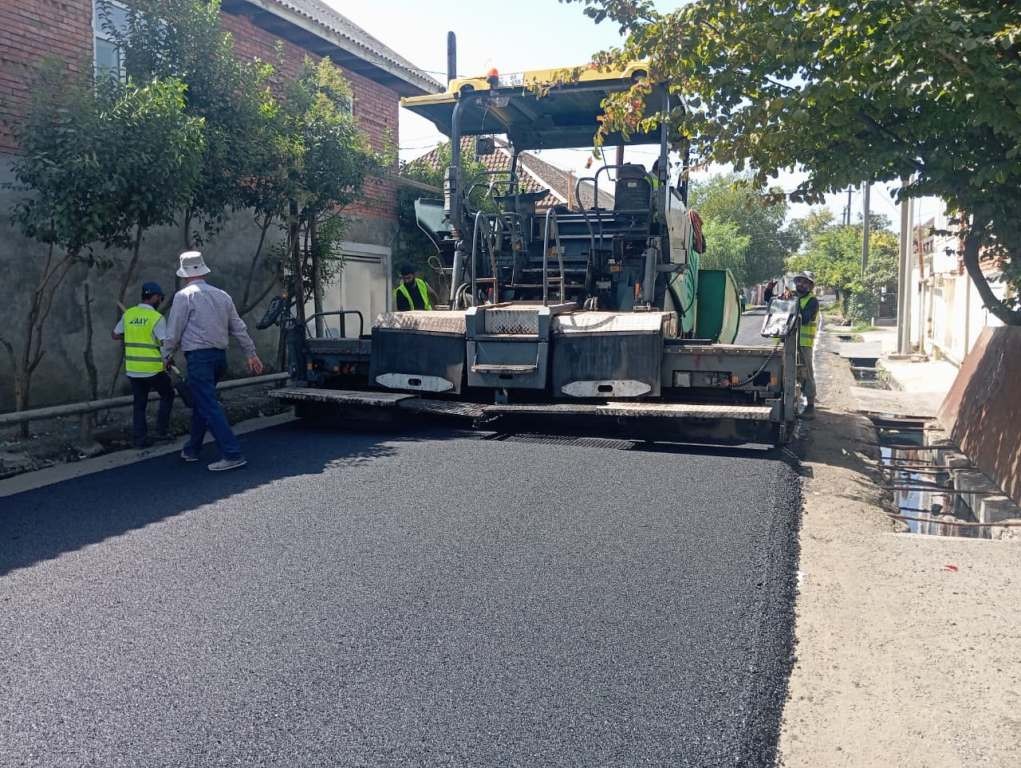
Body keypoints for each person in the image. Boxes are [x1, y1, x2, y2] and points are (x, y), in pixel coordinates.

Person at [163, 251, 263, 471]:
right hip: (219, 358)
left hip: (199, 358)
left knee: (208, 405)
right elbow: (238, 326)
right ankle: (192, 449)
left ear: (184, 274)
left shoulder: (184, 296)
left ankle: (232, 453)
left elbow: (174, 331)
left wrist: (166, 354)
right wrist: (251, 353)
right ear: (202, 270)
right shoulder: (222, 295)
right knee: (202, 402)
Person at [113, 281, 174, 448]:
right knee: (168, 395)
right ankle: (161, 432)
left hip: (133, 369)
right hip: (153, 369)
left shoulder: (129, 314)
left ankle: (140, 439)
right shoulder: (156, 318)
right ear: (154, 297)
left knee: (139, 405)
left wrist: (132, 333)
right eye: (159, 297)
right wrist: (168, 360)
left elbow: (115, 335)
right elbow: (164, 344)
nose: (160, 300)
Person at [794, 271, 820, 417]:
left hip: (803, 343)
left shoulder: (812, 301)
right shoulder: (792, 297)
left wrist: (794, 301)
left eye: (805, 282)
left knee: (806, 373)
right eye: (799, 281)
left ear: (810, 286)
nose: (801, 284)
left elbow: (804, 318)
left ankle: (810, 406)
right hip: (788, 341)